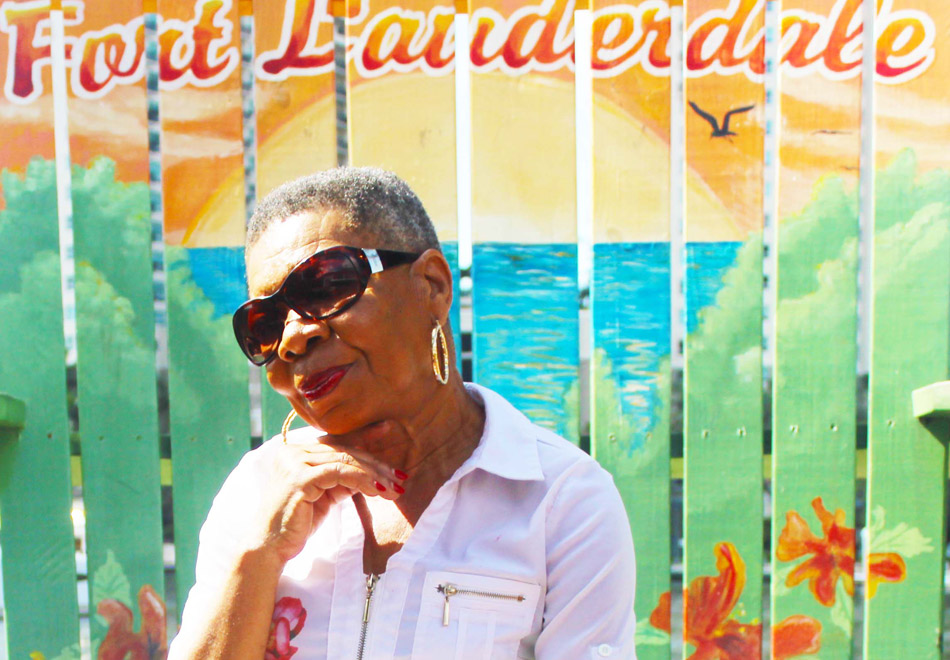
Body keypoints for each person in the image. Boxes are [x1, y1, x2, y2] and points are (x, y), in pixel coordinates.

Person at [168, 167, 636, 659]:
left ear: (431, 285)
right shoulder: (258, 490)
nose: (292, 337)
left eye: (325, 286)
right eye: (264, 323)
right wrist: (257, 555)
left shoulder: (561, 501)